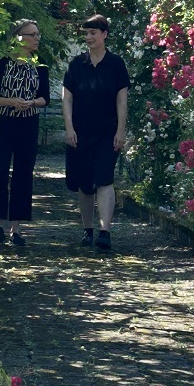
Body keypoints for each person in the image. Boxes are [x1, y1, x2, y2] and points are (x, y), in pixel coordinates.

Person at [62, 14, 130, 250]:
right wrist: (69, 127)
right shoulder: (76, 64)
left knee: (104, 178)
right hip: (80, 132)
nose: (89, 37)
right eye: (86, 33)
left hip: (107, 131)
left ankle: (105, 232)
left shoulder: (116, 64)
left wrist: (121, 131)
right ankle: (87, 229)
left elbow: (122, 99)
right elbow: (66, 98)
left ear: (104, 35)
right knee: (84, 183)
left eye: (93, 33)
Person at [0, 19, 50, 246]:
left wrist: (31, 102)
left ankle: (16, 229)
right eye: (33, 34)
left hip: (28, 124)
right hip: (3, 122)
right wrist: (11, 101)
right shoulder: (1, 62)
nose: (37, 38)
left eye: (38, 34)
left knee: (23, 174)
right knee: (1, 172)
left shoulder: (40, 64)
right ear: (19, 37)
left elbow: (45, 98)